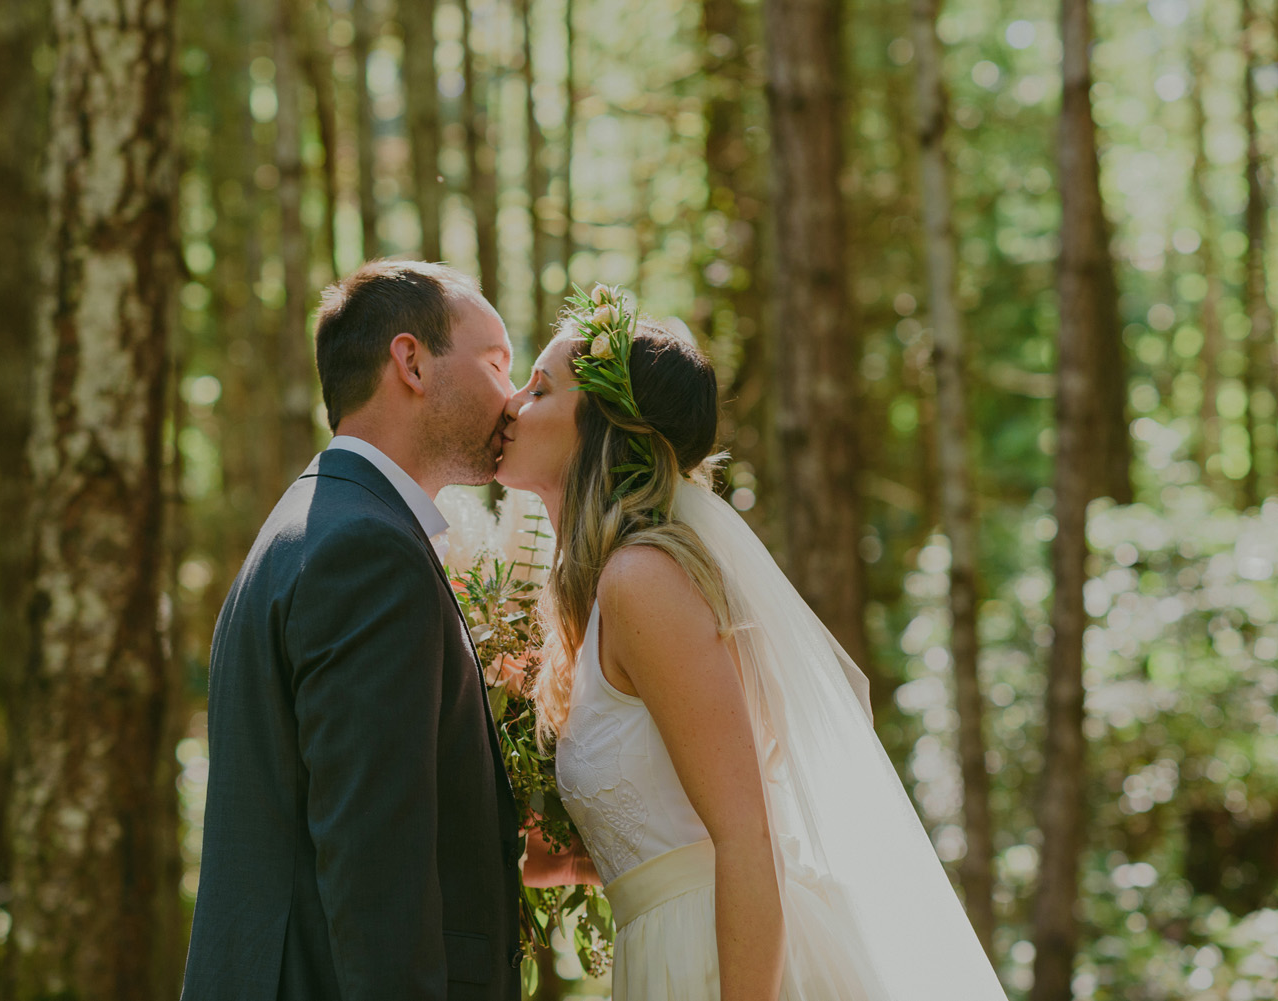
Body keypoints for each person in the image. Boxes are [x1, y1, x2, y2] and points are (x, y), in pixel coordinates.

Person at [500, 288, 1010, 1001]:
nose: (511, 401)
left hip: (723, 960)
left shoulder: (642, 579)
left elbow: (747, 838)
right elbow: (672, 837)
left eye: (539, 387)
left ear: (601, 428)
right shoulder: (609, 594)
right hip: (673, 950)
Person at [179, 261, 523, 1001]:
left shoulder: (312, 526)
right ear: (411, 361)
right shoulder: (366, 552)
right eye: (497, 363)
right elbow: (377, 873)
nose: (515, 395)